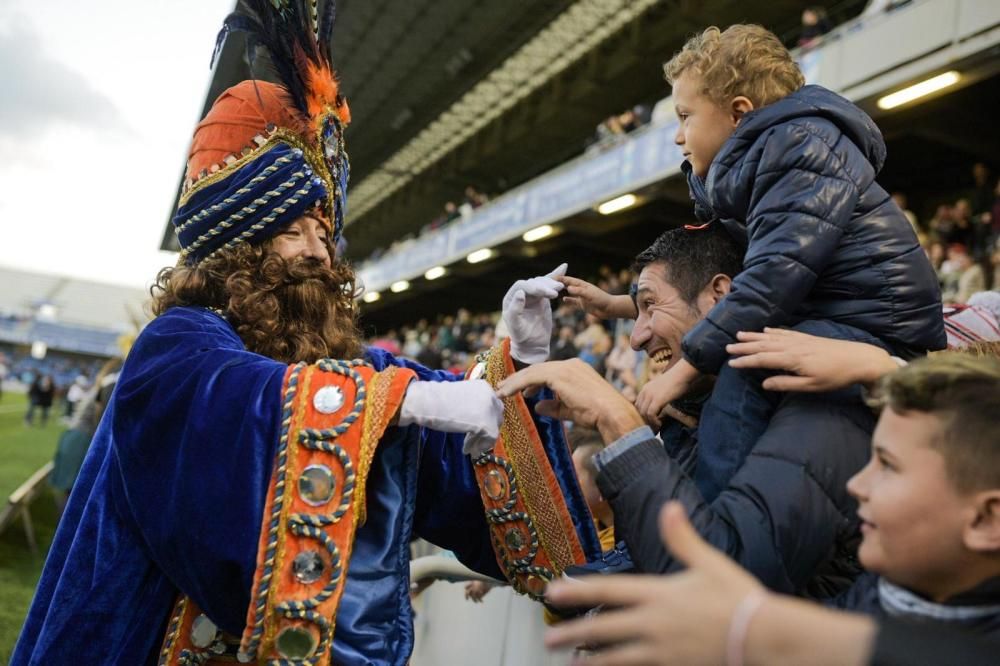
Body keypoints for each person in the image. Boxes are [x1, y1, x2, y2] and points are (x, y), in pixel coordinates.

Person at [12, 4, 598, 664]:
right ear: (238, 248)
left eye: (326, 232)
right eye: (294, 230)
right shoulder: (177, 345)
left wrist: (520, 362)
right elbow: (237, 399)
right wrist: (398, 402)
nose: (322, 252)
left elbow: (418, 406)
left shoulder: (339, 363)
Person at [563, 23, 944, 486]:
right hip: (831, 314)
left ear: (738, 114)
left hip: (875, 324)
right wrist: (622, 304)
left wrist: (687, 367)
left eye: (685, 117)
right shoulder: (754, 168)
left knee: (741, 374)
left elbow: (770, 279)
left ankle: (720, 525)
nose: (678, 137)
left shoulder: (800, 147)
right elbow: (718, 268)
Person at [501, 226, 871, 598]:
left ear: (719, 296)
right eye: (635, 310)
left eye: (650, 306)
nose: (635, 337)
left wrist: (622, 427)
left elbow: (721, 582)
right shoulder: (691, 413)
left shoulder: (813, 404)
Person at [544, 501, 999, 666]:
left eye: (888, 463)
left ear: (986, 517)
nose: (860, 482)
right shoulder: (887, 590)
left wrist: (756, 630)